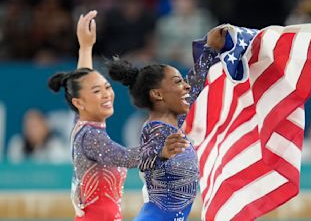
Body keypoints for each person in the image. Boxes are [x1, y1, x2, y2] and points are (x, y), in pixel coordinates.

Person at [48, 11, 188, 221]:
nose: (106, 94)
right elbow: (124, 157)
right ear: (80, 103)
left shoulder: (84, 124)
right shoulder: (91, 137)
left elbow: (81, 85)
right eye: (97, 91)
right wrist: (160, 151)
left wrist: (86, 47)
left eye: (106, 87)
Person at [106, 24, 227, 220]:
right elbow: (137, 158)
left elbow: (195, 85)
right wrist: (159, 154)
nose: (186, 86)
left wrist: (211, 49)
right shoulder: (155, 129)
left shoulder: (173, 124)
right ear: (157, 94)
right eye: (178, 82)